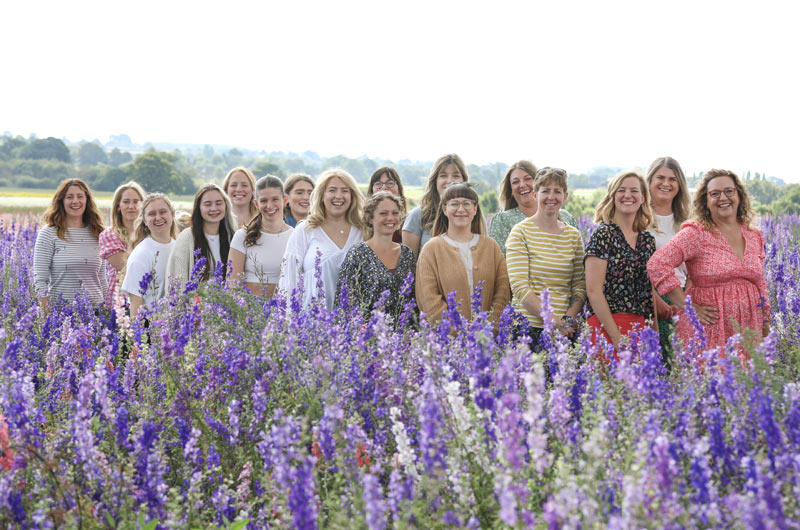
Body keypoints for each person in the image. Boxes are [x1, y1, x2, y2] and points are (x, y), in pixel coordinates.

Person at [648, 169, 770, 351]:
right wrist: (688, 306)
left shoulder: (754, 236)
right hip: (709, 330)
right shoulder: (696, 233)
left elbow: (760, 282)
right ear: (706, 200)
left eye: (729, 191)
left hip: (749, 329)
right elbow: (657, 264)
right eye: (715, 194)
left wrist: (765, 320)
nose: (723, 198)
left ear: (739, 194)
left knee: (747, 378)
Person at [506, 168, 586, 345]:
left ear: (565, 196)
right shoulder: (520, 232)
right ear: (535, 195)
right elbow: (519, 285)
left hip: (567, 330)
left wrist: (566, 321)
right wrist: (552, 321)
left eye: (557, 191)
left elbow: (580, 285)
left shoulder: (573, 236)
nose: (551, 197)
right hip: (528, 329)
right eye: (545, 191)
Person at [416, 183, 510, 327]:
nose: (461, 209)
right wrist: (456, 335)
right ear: (444, 209)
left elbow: (502, 291)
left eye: (467, 203)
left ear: (475, 209)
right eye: (454, 204)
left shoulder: (491, 247)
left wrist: (489, 329)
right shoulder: (431, 249)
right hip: (448, 343)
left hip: (489, 341)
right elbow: (428, 300)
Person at [584, 170, 657, 351]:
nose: (627, 195)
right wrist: (616, 337)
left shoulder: (647, 240)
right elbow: (593, 291)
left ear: (642, 198)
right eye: (621, 190)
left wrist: (655, 336)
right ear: (613, 196)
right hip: (606, 325)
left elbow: (650, 292)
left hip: (641, 326)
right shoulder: (603, 235)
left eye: (634, 190)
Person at [279, 169, 366, 309]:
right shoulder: (306, 229)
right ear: (322, 195)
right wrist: (288, 321)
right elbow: (289, 280)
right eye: (332, 190)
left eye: (344, 190)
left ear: (352, 196)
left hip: (352, 323)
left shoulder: (363, 231)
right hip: (312, 321)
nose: (338, 196)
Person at [336, 191, 416, 322]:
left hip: (404, 336)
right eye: (383, 213)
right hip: (367, 336)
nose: (390, 218)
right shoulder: (358, 253)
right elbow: (344, 300)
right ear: (370, 218)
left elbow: (414, 299)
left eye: (395, 213)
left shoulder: (407, 254)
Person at [34, 178, 107, 311]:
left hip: (96, 313)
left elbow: (102, 278)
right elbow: (40, 279)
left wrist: (109, 309)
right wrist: (46, 312)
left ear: (87, 201)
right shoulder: (49, 233)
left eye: (80, 196)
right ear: (61, 201)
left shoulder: (98, 233)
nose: (75, 201)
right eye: (69, 197)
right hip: (61, 312)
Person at [646, 157, 691, 361]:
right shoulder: (639, 218)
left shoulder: (689, 220)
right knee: (659, 362)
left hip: (684, 298)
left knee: (685, 362)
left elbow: (697, 266)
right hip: (650, 299)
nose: (666, 183)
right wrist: (657, 301)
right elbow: (636, 265)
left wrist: (685, 300)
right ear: (650, 181)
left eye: (672, 179)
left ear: (679, 185)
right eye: (660, 178)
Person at [489, 161, 578, 256]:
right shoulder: (503, 220)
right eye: (515, 182)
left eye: (527, 179)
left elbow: (578, 259)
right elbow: (498, 263)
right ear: (511, 190)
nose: (522, 185)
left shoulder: (566, 218)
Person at [229, 175, 293, 298]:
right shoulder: (242, 236)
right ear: (256, 203)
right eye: (263, 201)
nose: (269, 206)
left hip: (284, 310)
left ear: (285, 200)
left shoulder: (295, 236)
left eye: (275, 199)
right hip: (249, 311)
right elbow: (233, 284)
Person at [167, 184, 237, 289]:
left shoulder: (233, 237)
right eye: (207, 204)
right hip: (194, 304)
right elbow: (178, 281)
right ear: (198, 207)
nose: (214, 208)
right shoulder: (186, 238)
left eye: (218, 203)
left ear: (226, 206)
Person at [121, 193, 178, 319]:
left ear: (172, 215)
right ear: (145, 221)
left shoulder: (178, 248)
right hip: (152, 329)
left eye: (163, 212)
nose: (158, 217)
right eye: (152, 214)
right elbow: (135, 311)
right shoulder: (141, 254)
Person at [403, 154, 468, 256]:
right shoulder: (418, 215)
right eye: (443, 175)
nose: (450, 181)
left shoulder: (472, 216)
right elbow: (409, 265)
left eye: (456, 176)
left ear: (464, 181)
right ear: (435, 180)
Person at [98, 181, 145, 307]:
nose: (131, 206)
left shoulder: (150, 234)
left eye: (136, 201)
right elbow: (124, 267)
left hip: (147, 300)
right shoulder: (109, 235)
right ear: (118, 206)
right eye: (126, 202)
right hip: (119, 303)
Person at [366, 166, 405, 243]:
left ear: (399, 188)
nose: (384, 187)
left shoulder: (408, 222)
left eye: (390, 183)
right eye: (378, 184)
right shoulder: (362, 224)